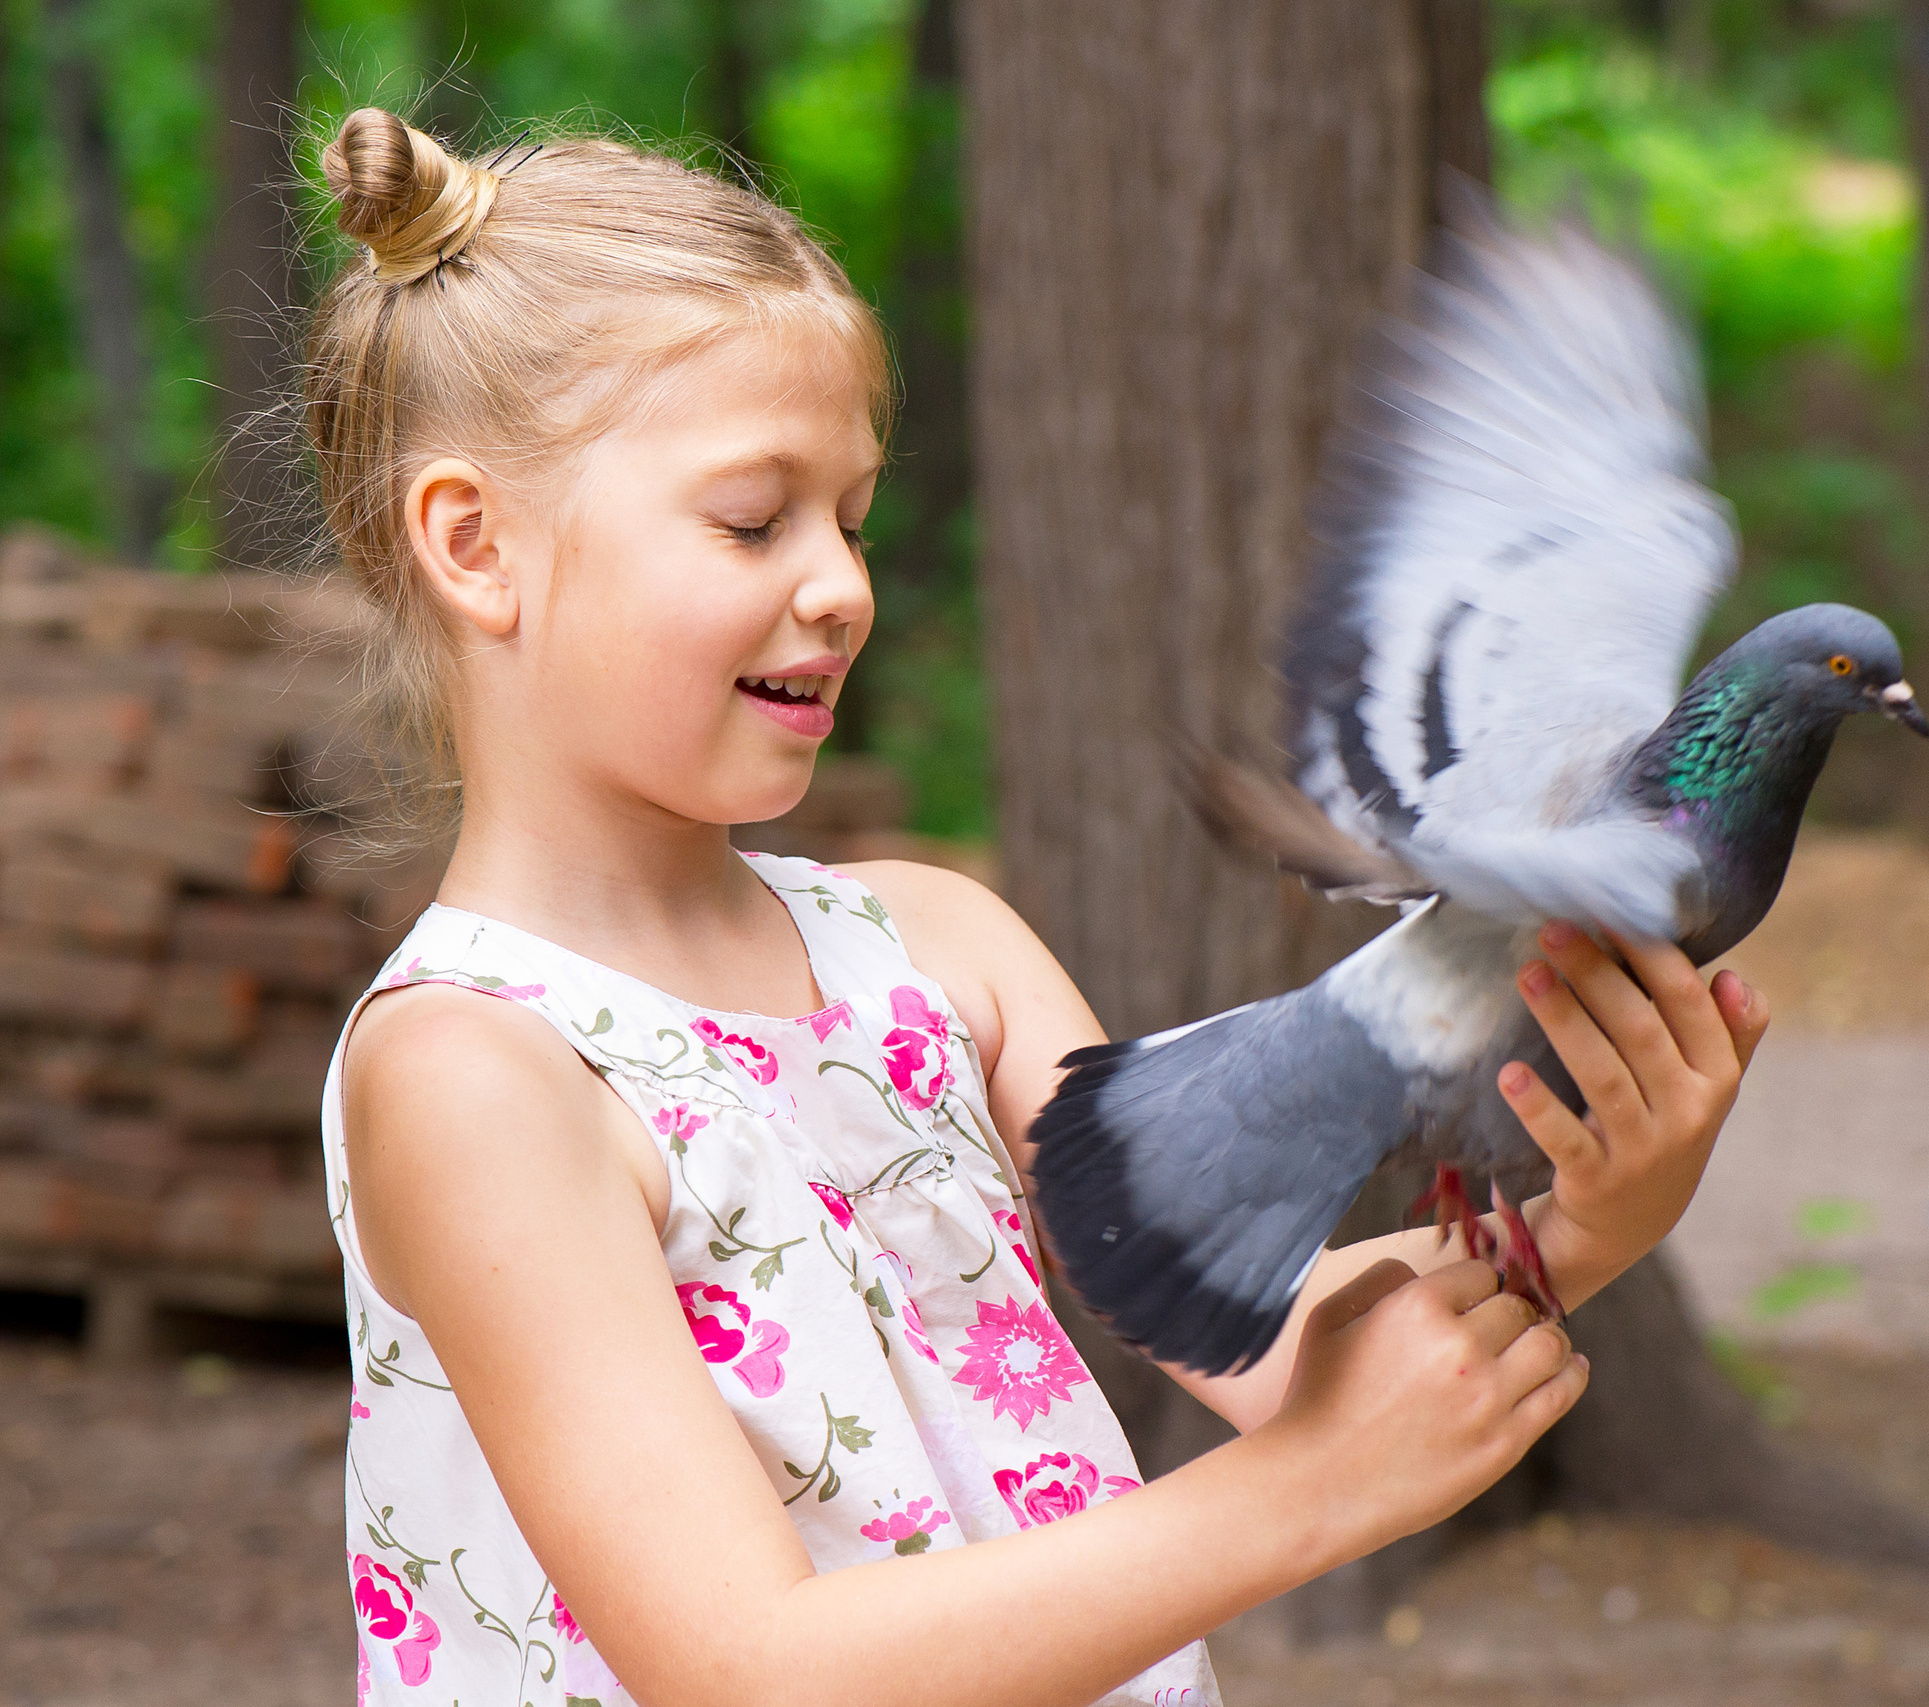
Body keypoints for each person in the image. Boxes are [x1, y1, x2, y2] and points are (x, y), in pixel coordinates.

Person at [309, 106, 1770, 1707]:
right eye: (753, 518)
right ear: (474, 545)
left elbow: (1269, 1344)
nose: (843, 584)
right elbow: (748, 1671)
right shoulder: (475, 1077)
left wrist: (1594, 1219)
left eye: (853, 519)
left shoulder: (937, 948)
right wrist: (1302, 1500)